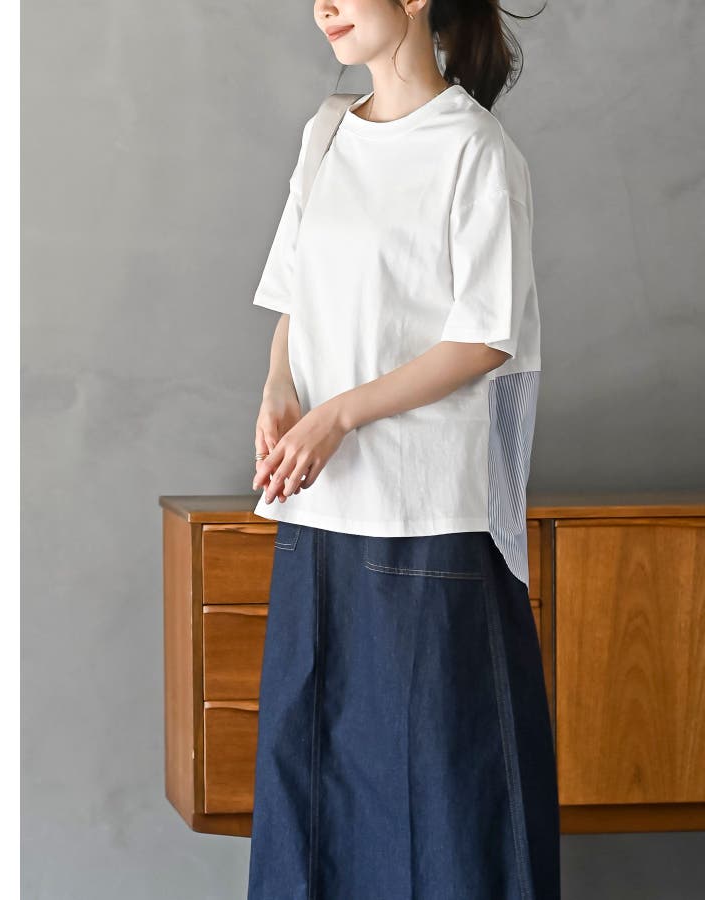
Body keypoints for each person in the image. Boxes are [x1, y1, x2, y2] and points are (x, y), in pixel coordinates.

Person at [247, 2, 559, 898]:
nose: (324, 7)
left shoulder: (476, 150)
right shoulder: (325, 134)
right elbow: (296, 295)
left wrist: (340, 416)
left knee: (450, 800)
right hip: (319, 516)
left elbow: (484, 338)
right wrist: (279, 391)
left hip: (429, 525)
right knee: (312, 799)